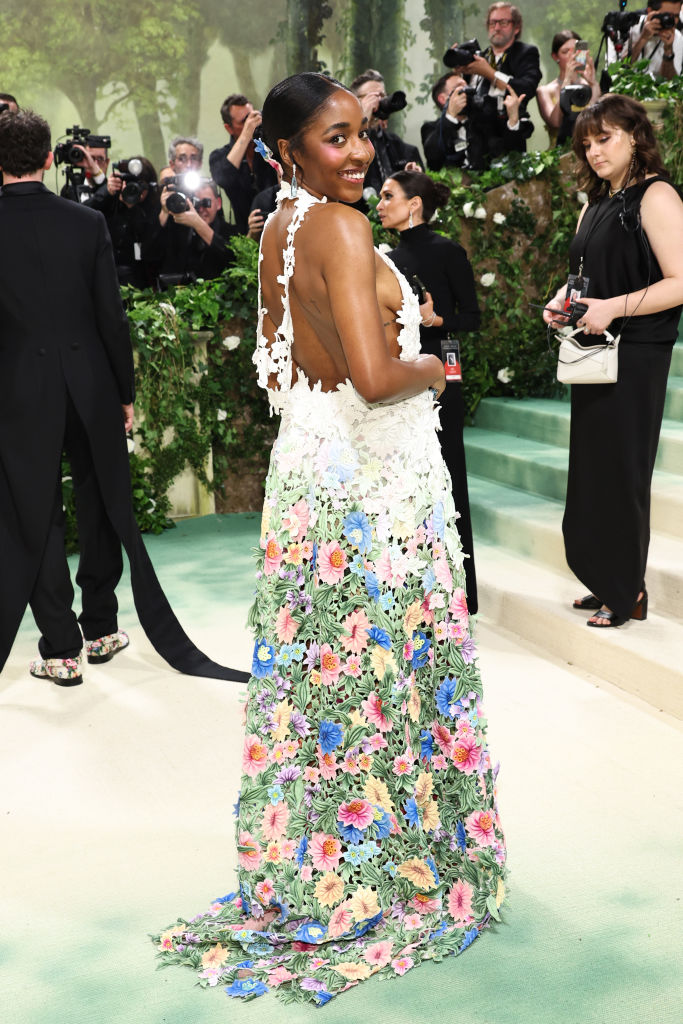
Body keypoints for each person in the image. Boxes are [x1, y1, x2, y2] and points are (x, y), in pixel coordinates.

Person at [153, 71, 506, 1004]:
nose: (358, 153)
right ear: (288, 151)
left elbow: (281, 364)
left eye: (362, 133)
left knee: (328, 672)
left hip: (308, 477)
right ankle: (399, 862)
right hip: (375, 485)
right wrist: (436, 363)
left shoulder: (276, 226)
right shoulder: (346, 229)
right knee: (386, 660)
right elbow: (372, 373)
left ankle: (325, 856)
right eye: (334, 138)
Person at [0, 109, 247, 683]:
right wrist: (124, 390)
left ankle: (60, 649)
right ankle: (103, 628)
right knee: (100, 501)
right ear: (45, 159)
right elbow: (111, 317)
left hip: (17, 391)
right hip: (91, 383)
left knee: (34, 513)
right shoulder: (85, 224)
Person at [543, 94, 683, 628]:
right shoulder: (596, 201)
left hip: (639, 353)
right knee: (595, 470)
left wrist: (612, 307)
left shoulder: (657, 195)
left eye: (605, 139)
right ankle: (606, 579)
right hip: (597, 353)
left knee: (623, 470)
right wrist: (565, 299)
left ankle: (628, 592)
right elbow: (586, 273)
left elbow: (679, 282)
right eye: (587, 144)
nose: (595, 152)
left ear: (635, 136)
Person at [377, 171, 481, 612]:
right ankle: (417, 585)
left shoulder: (446, 250)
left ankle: (462, 592)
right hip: (398, 373)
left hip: (442, 371)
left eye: (388, 196)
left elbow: (472, 318)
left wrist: (436, 321)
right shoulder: (384, 258)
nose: (379, 203)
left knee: (449, 470)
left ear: (414, 203)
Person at [446, 3, 541, 169]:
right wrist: (459, 72)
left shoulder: (525, 52)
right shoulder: (480, 57)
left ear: (516, 27)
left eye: (503, 23)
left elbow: (526, 88)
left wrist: (489, 73)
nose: (496, 28)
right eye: (492, 23)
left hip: (507, 138)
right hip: (475, 139)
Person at [422, 70, 526, 172]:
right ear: (443, 99)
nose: (466, 90)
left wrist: (513, 119)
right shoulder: (431, 128)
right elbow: (433, 160)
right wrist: (450, 116)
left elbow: (513, 153)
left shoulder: (485, 120)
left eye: (467, 85)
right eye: (459, 87)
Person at [209, 94, 279, 234]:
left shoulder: (268, 146)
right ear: (229, 128)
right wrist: (246, 134)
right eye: (243, 122)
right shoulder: (219, 156)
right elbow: (224, 178)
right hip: (246, 233)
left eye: (252, 117)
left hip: (280, 222)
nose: (251, 124)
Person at [88, 156, 160, 288]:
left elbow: (150, 243)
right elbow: (84, 214)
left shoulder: (154, 208)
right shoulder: (110, 201)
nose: (135, 188)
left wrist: (133, 209)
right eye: (131, 183)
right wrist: (106, 192)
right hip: (107, 276)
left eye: (141, 185)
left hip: (141, 280)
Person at [151, 178, 237, 285]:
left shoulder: (231, 231)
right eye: (196, 203)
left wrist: (198, 224)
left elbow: (233, 259)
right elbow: (151, 254)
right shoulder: (181, 230)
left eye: (206, 203)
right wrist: (165, 211)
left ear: (218, 203)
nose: (200, 209)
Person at [350, 69, 423, 194]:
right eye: (373, 96)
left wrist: (411, 177)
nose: (379, 101)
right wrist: (363, 121)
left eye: (382, 96)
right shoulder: (346, 143)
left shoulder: (398, 146)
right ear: (355, 101)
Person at [536, 32, 601, 146]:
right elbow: (555, 122)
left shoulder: (588, 84)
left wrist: (593, 82)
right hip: (560, 152)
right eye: (566, 52)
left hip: (588, 146)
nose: (573, 56)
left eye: (576, 51)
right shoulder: (545, 90)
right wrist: (566, 81)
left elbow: (597, 115)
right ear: (555, 56)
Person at [608, 1, 683, 79]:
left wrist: (668, 51)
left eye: (676, 16)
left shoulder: (677, 37)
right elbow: (618, 70)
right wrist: (643, 39)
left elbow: (671, 81)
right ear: (650, 11)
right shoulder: (629, 27)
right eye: (666, 16)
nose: (672, 21)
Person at [59, 136, 111, 204]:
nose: (95, 165)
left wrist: (98, 174)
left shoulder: (113, 191)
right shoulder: (68, 191)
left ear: (107, 162)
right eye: (91, 158)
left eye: (100, 159)